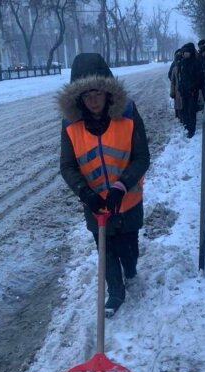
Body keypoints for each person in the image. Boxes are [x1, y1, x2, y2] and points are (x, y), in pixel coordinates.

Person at [58, 53, 150, 316]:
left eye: (97, 93)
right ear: (78, 99)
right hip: (96, 203)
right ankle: (116, 292)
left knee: (129, 249)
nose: (93, 100)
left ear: (108, 92)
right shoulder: (70, 126)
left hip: (128, 199)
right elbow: (67, 166)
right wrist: (85, 193)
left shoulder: (129, 115)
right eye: (86, 96)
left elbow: (142, 156)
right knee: (106, 248)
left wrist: (122, 186)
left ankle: (130, 269)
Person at [177, 42, 205, 138]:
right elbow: (181, 77)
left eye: (187, 52)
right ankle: (187, 126)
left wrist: (193, 88)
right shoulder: (183, 63)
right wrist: (180, 87)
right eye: (184, 52)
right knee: (184, 110)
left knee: (191, 111)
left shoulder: (196, 63)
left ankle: (191, 130)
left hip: (192, 92)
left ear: (191, 52)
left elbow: (199, 78)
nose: (185, 54)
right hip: (184, 91)